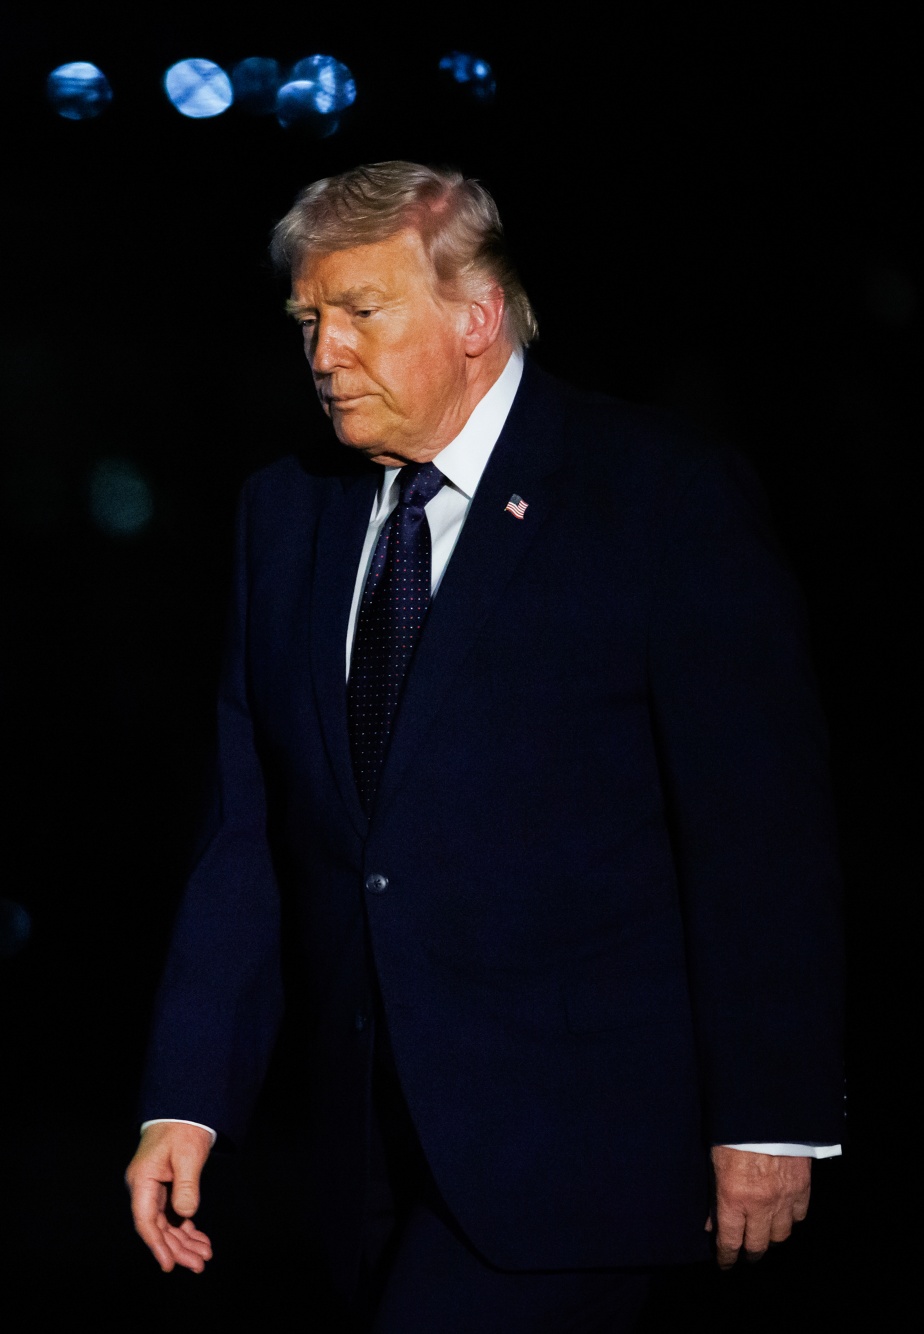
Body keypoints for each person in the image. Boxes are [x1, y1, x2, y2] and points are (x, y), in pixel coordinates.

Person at [124, 162, 844, 1331]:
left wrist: (766, 1112)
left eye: (361, 311)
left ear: (475, 318)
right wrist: (187, 1098)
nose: (324, 352)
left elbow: (755, 827)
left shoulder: (656, 495)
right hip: (354, 1151)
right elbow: (249, 829)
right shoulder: (285, 510)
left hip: (575, 1147)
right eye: (308, 319)